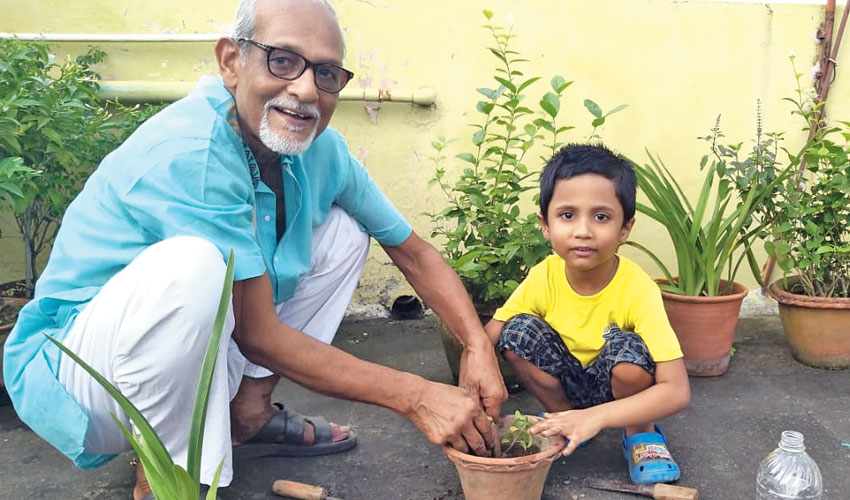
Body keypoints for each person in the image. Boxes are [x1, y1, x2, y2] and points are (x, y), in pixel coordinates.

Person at [1, 0, 507, 498]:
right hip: (85, 376)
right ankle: (165, 481)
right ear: (230, 61)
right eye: (282, 60)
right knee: (196, 264)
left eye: (327, 72)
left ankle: (248, 412)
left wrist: (476, 345)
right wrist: (418, 396)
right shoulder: (194, 152)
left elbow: (412, 251)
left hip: (184, 354)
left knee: (345, 230)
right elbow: (259, 335)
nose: (306, 89)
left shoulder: (319, 150)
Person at [484, 144, 690, 484]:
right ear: (545, 224)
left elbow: (677, 390)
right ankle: (566, 417)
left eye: (601, 216)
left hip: (617, 386)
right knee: (516, 332)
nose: (583, 230)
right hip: (568, 381)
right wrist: (471, 394)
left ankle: (640, 432)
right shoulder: (544, 275)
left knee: (629, 356)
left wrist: (597, 415)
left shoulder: (638, 288)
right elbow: (489, 336)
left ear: (625, 229)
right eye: (567, 215)